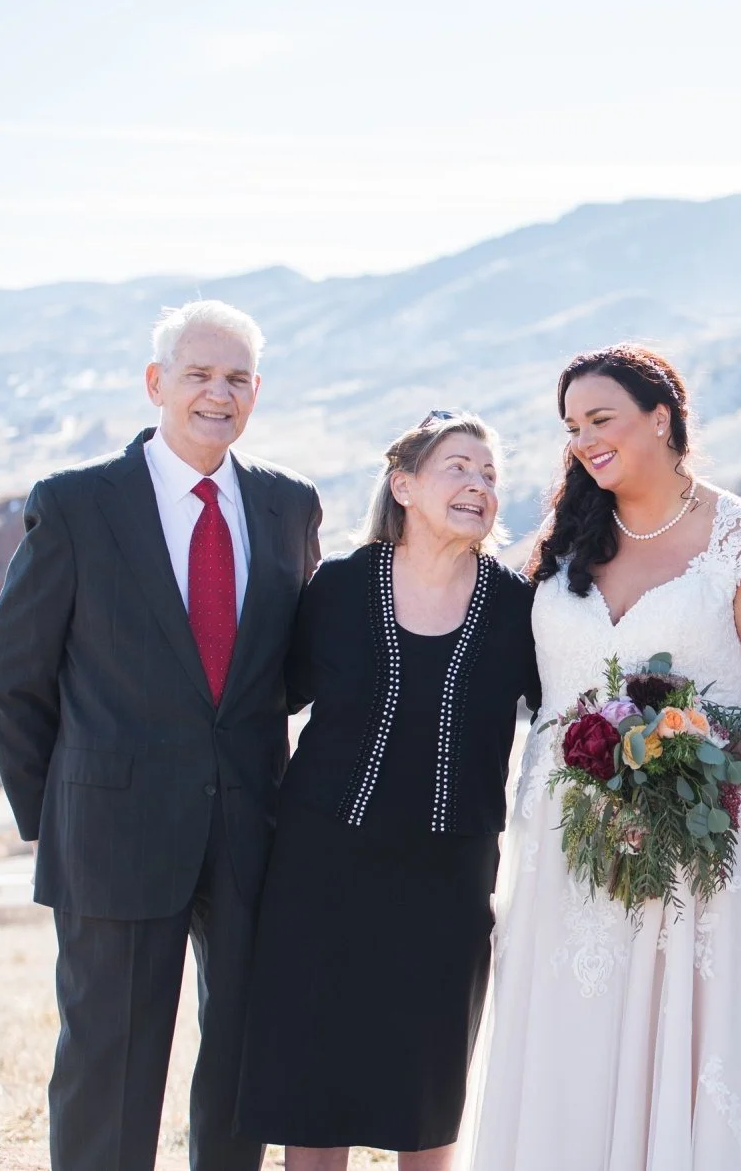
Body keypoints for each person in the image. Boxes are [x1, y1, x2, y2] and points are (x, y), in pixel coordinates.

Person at [463, 345, 741, 1170]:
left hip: (699, 846)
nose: (585, 442)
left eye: (602, 420)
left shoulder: (738, 539)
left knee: (698, 1048)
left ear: (661, 418)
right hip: (570, 846)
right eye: (572, 428)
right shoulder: (565, 540)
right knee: (575, 1039)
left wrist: (707, 781)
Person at [0, 300, 322, 1171]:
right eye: (200, 375)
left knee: (242, 1065)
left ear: (257, 393)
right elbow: (15, 678)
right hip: (111, 835)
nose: (219, 393)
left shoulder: (289, 507)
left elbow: (295, 665)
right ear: (156, 384)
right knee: (109, 1068)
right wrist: (62, 811)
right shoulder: (76, 506)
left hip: (252, 828)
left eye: (237, 379)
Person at [237, 412, 538, 1167]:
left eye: (490, 476)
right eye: (459, 468)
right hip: (320, 867)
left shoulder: (517, 608)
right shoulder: (336, 587)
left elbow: (564, 716)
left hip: (449, 875)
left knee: (428, 1091)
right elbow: (275, 697)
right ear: (403, 486)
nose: (478, 485)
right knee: (313, 1088)